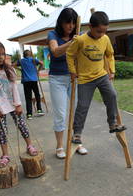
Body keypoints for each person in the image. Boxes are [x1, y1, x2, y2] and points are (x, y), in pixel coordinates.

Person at [66, 11, 126, 148]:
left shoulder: (105, 39)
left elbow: (110, 55)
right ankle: (77, 133)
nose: (101, 35)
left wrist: (112, 70)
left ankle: (112, 123)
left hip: (101, 75)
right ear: (90, 26)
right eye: (99, 31)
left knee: (112, 95)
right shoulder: (80, 40)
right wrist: (72, 71)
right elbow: (69, 54)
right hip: (85, 80)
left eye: (104, 31)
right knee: (82, 106)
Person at [0, 39, 38, 168]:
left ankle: (30, 145)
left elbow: (14, 88)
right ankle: (5, 155)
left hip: (13, 104)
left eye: (3, 54)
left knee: (22, 125)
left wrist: (18, 104)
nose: (1, 57)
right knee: (2, 131)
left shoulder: (8, 70)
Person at [47, 8, 87, 159]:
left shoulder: (79, 35)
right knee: (61, 114)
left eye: (73, 23)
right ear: (61, 22)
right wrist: (73, 42)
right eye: (67, 22)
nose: (70, 26)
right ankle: (59, 146)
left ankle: (76, 142)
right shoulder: (53, 34)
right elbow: (55, 51)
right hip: (57, 79)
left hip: (74, 78)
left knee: (77, 113)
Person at [16, 50, 44, 120]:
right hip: (34, 80)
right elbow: (42, 63)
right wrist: (38, 70)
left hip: (26, 81)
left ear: (24, 55)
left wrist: (20, 69)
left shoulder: (21, 61)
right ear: (30, 54)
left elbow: (12, 65)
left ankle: (29, 114)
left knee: (28, 98)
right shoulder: (33, 59)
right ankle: (39, 110)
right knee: (37, 95)